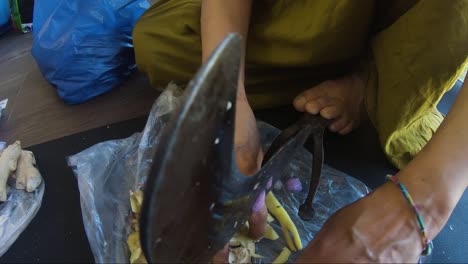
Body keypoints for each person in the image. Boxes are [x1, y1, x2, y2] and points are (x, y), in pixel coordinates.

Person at [133, 0, 468, 262]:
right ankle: (334, 64)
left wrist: (422, 206)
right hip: (324, 14)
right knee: (160, 44)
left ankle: (372, 83)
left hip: (419, 24)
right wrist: (227, 100)